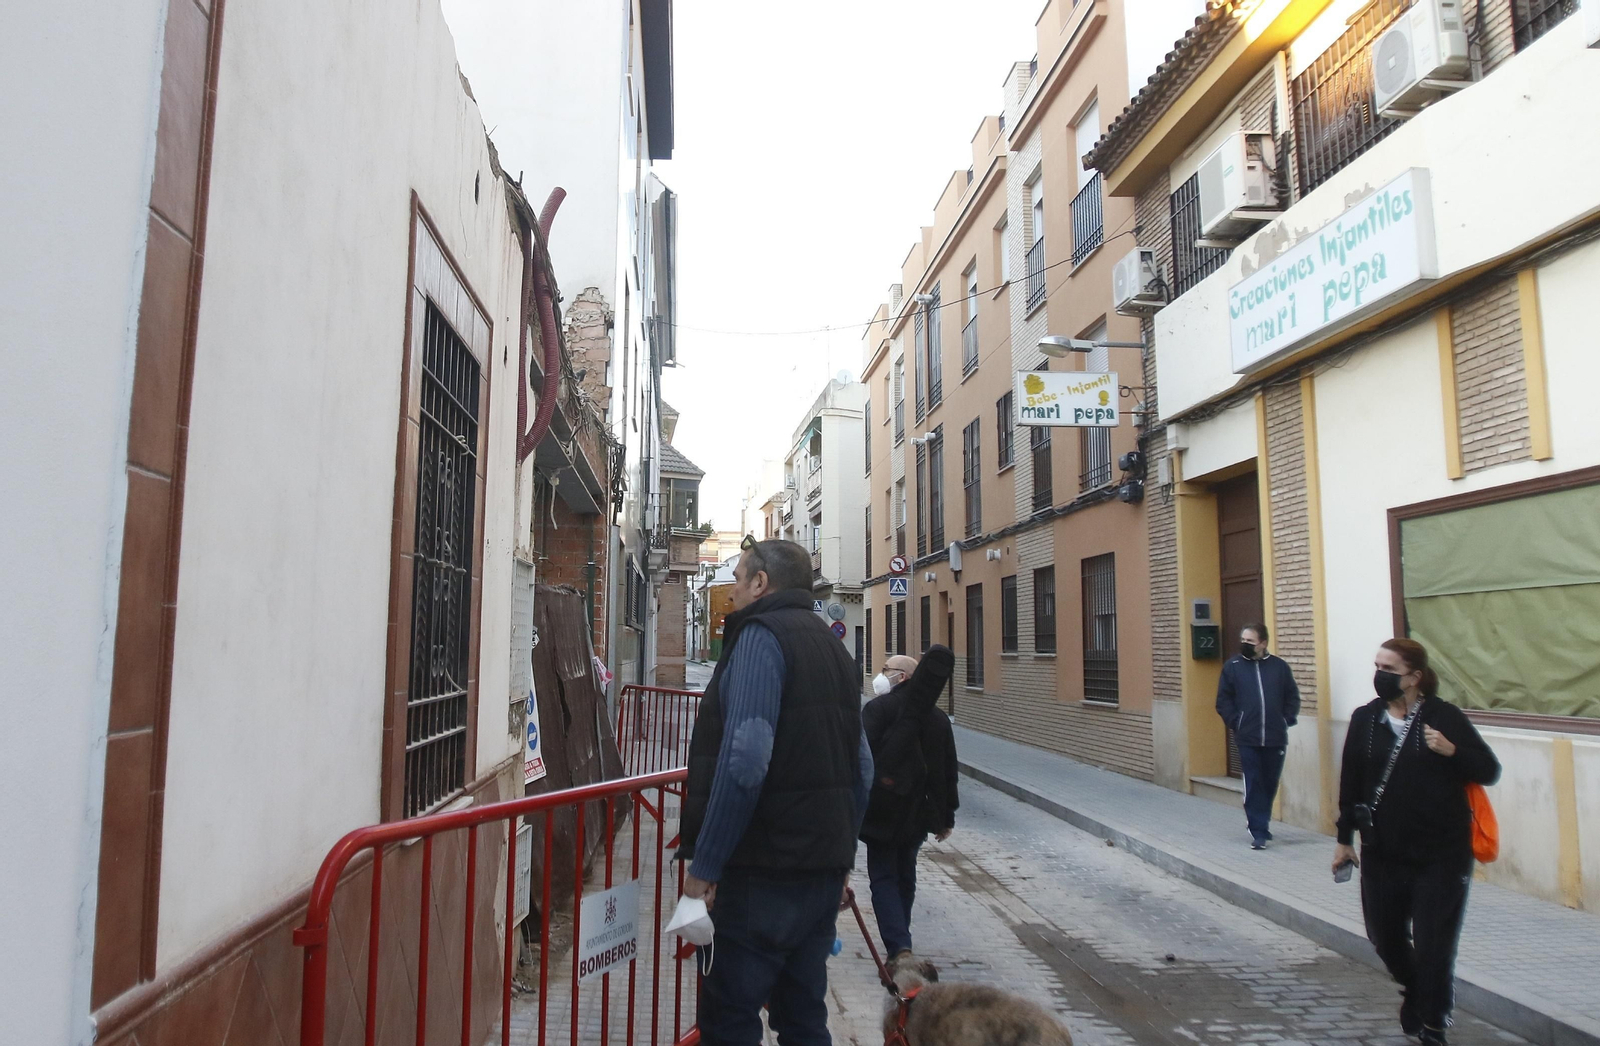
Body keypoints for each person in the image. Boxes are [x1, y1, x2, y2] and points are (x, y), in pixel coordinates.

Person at [677, 537, 873, 1046]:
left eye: (739, 579)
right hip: (820, 875)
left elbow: (745, 762)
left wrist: (705, 868)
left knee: (729, 1017)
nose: (733, 591)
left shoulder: (761, 638)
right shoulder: (834, 645)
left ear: (761, 583)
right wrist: (840, 853)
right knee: (804, 1017)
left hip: (760, 876)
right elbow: (864, 768)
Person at [1333, 638, 1500, 1046]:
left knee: (1434, 945)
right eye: (1377, 666)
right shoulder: (1365, 719)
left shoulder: (1444, 717)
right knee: (1385, 938)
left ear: (1415, 678)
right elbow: (1351, 783)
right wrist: (1343, 840)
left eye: (1390, 669)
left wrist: (1452, 750)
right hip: (1383, 851)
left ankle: (1434, 1022)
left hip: (1441, 854)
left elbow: (1488, 769)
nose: (1380, 675)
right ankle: (1417, 989)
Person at [858, 645, 958, 965]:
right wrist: (945, 817)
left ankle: (899, 946)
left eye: (886, 670)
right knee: (905, 875)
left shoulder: (879, 710)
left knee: (884, 877)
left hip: (882, 811)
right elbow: (947, 772)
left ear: (901, 677)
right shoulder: (939, 719)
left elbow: (861, 761)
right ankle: (901, 941)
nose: (880, 675)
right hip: (918, 812)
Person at [1215, 623, 1301, 849]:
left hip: (1275, 737)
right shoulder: (1232, 667)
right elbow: (1223, 700)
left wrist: (1286, 719)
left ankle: (1262, 821)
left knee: (1270, 782)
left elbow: (1292, 696)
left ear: (1263, 643)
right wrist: (1236, 722)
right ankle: (1258, 830)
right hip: (1248, 737)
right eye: (1243, 640)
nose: (1245, 644)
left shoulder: (1279, 667)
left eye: (1250, 642)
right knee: (1253, 782)